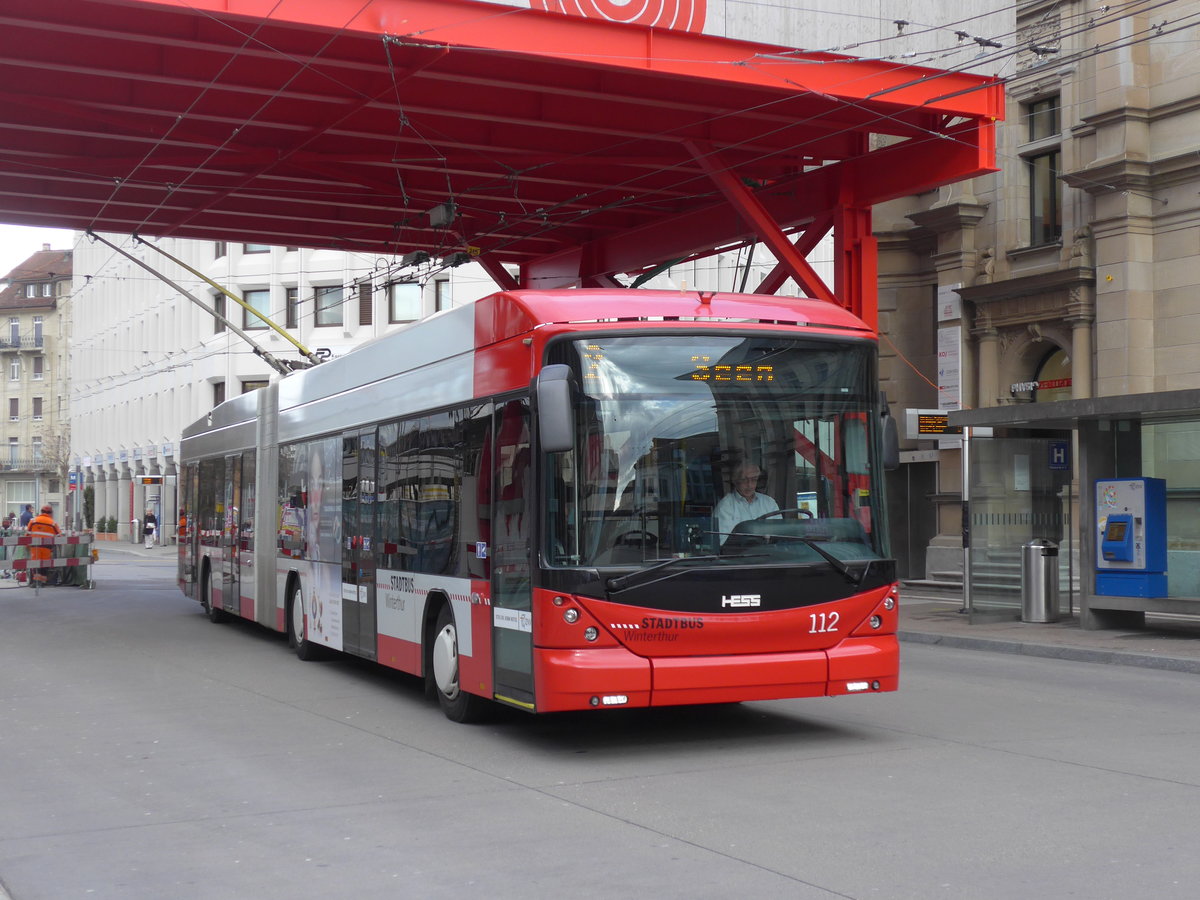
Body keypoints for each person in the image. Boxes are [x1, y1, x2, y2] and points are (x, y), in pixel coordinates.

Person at [714, 462, 779, 545]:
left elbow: (779, 535)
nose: (749, 485)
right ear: (735, 481)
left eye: (754, 480)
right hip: (741, 556)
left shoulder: (769, 503)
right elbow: (722, 543)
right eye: (744, 480)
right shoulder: (725, 507)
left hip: (771, 554)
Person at [28, 504, 61, 585]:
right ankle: (42, 581)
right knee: (45, 564)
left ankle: (36, 582)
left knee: (35, 563)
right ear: (50, 513)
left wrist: (27, 545)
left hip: (34, 547)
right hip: (47, 547)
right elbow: (59, 536)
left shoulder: (33, 521)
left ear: (41, 512)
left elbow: (27, 535)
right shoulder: (52, 523)